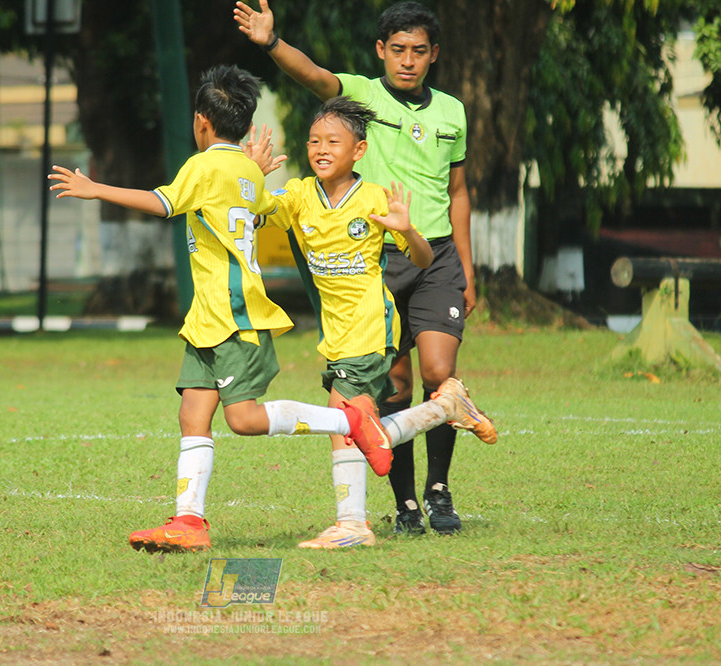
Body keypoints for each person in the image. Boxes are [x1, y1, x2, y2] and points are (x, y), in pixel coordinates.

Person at [48, 65, 393, 553]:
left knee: (243, 419)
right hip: (208, 317)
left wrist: (96, 188)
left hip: (233, 314)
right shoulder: (244, 169)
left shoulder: (205, 164)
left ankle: (350, 421)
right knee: (193, 413)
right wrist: (253, 168)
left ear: (201, 122)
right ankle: (189, 521)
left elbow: (163, 202)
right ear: (246, 126)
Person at [236, 0, 491, 535]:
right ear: (381, 51)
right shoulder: (361, 96)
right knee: (393, 386)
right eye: (397, 49)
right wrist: (270, 42)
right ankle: (405, 507)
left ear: (433, 55)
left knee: (438, 372)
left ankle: (439, 489)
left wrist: (466, 266)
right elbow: (314, 75)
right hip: (379, 259)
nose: (407, 60)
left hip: (435, 254)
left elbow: (459, 191)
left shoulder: (452, 112)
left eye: (418, 51)